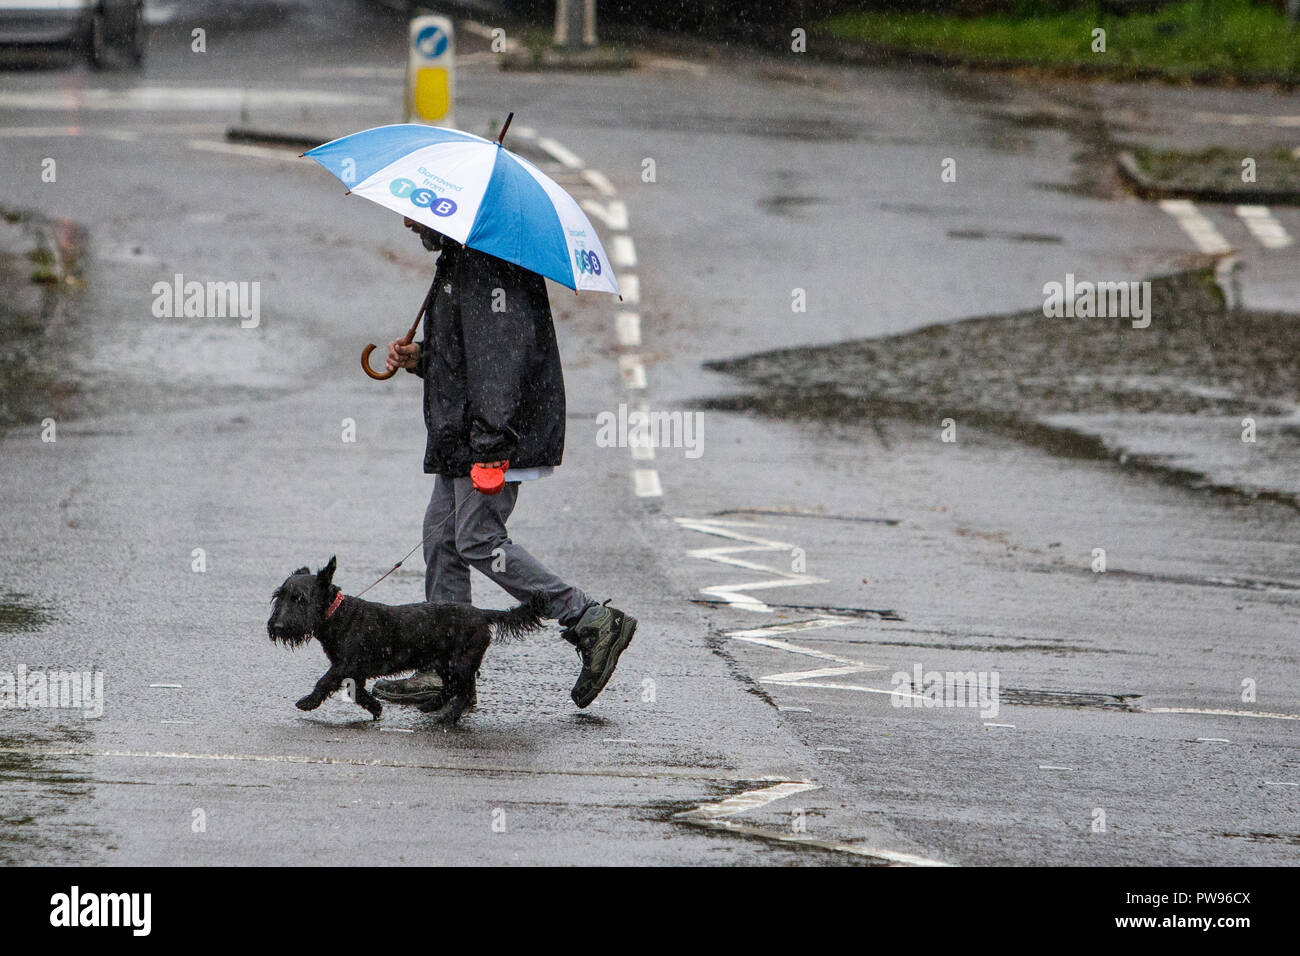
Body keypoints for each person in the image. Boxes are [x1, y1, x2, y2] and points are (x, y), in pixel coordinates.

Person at [372, 217, 636, 712]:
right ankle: (447, 669)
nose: (408, 222)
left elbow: (501, 364)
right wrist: (422, 358)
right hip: (466, 432)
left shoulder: (488, 268)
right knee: (441, 538)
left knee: (476, 538)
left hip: (490, 434)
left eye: (418, 214)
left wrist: (492, 448)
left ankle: (587, 617)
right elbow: (468, 356)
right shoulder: (458, 261)